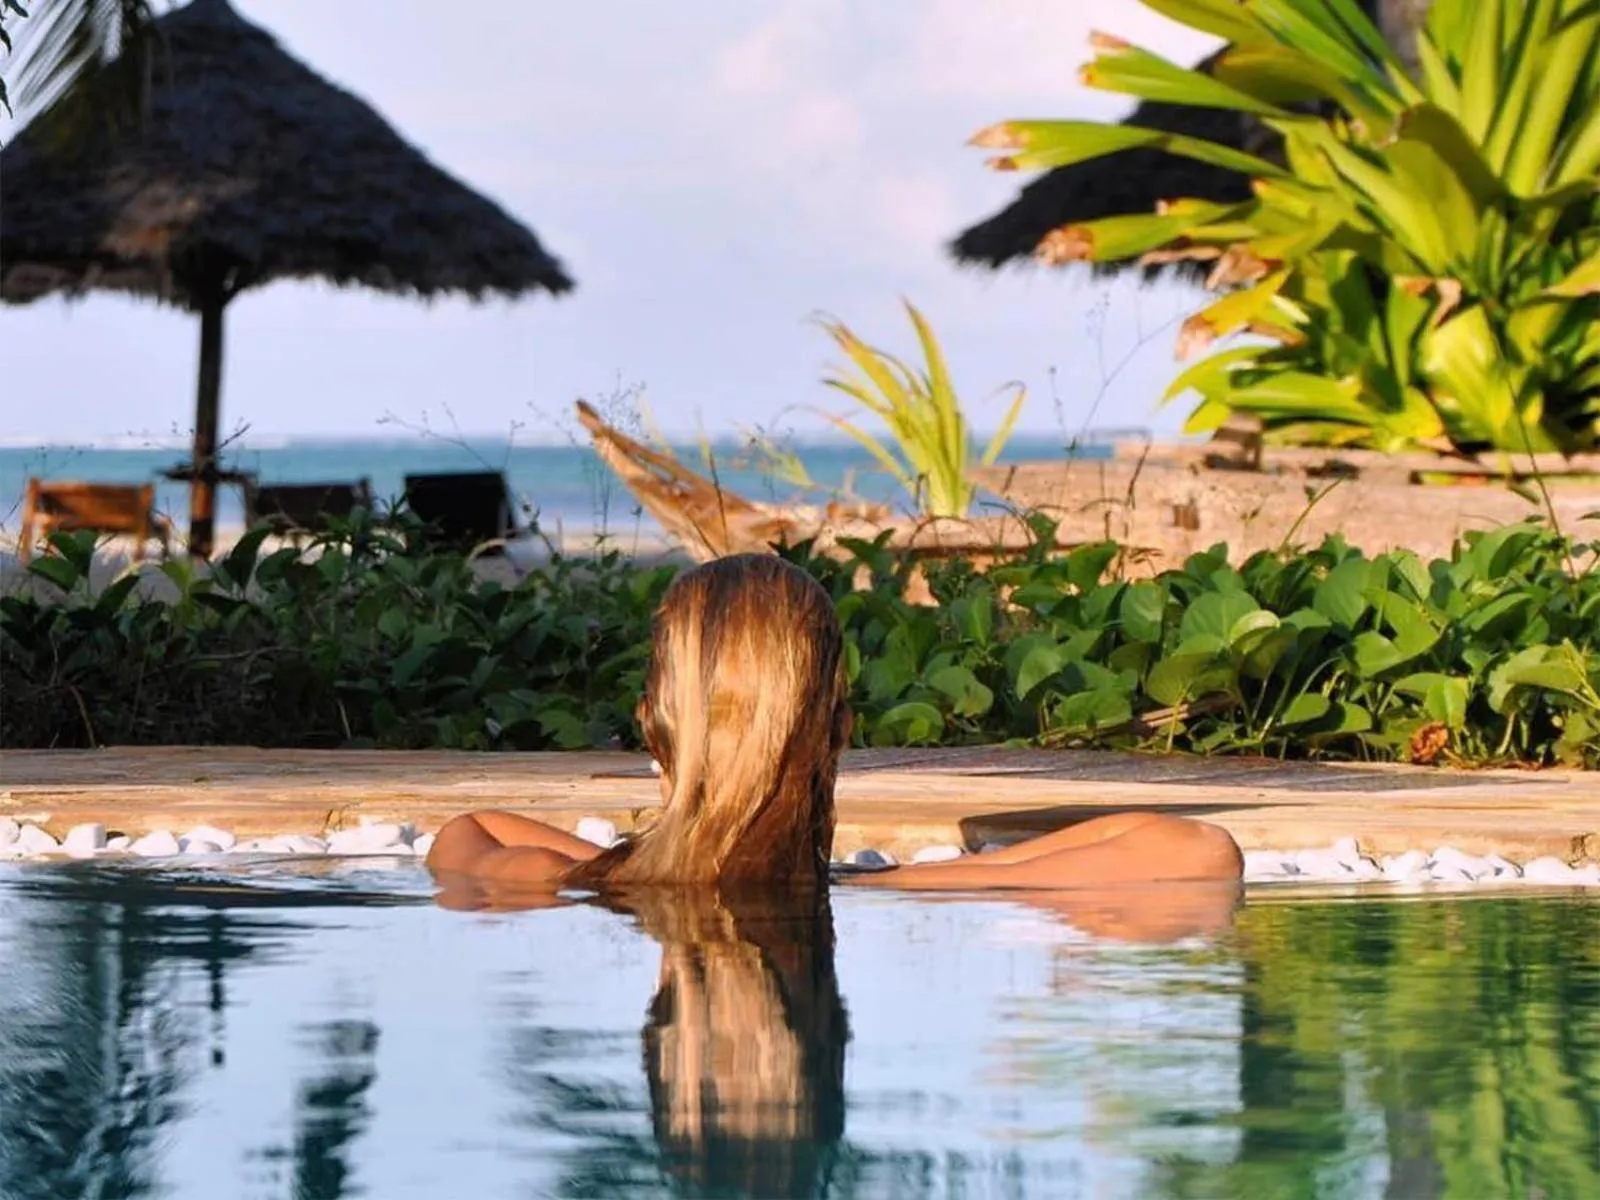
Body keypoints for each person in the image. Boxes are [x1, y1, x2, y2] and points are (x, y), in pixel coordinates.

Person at [425, 554, 1243, 892]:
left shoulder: (576, 881)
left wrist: (622, 867)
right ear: (840, 727)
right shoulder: (867, 896)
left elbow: (468, 831)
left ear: (652, 730)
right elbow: (1199, 851)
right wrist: (938, 880)